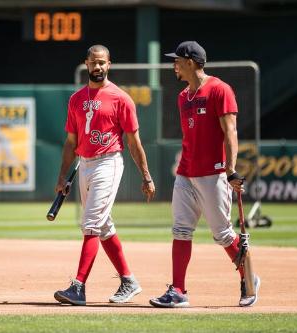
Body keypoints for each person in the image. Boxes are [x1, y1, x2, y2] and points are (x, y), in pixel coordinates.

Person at [149, 41, 260, 308]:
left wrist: (231, 169)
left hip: (214, 173)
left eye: (177, 60)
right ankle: (178, 290)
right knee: (181, 230)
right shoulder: (182, 96)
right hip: (186, 173)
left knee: (222, 233)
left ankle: (249, 278)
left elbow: (230, 132)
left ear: (190, 62)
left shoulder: (220, 90)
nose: (174, 64)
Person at [53, 44, 156, 306]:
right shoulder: (76, 99)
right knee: (104, 227)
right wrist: (62, 176)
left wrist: (146, 175)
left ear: (109, 64)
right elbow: (70, 141)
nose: (97, 67)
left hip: (108, 163)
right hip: (84, 164)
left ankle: (78, 287)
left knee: (90, 225)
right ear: (86, 63)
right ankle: (128, 280)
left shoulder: (121, 98)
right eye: (93, 62)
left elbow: (134, 142)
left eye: (102, 62)